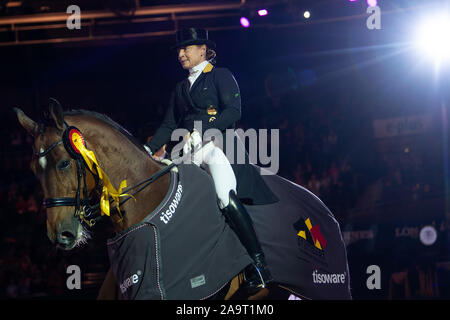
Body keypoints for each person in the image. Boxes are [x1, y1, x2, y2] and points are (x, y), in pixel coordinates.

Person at [144, 27, 278, 291]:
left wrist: (202, 131)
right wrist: (147, 150)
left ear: (203, 50)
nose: (181, 54)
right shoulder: (180, 88)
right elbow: (168, 126)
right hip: (188, 153)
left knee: (224, 195)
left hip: (218, 148)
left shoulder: (220, 75)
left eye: (187, 49)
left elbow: (233, 111)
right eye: (179, 50)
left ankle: (258, 264)